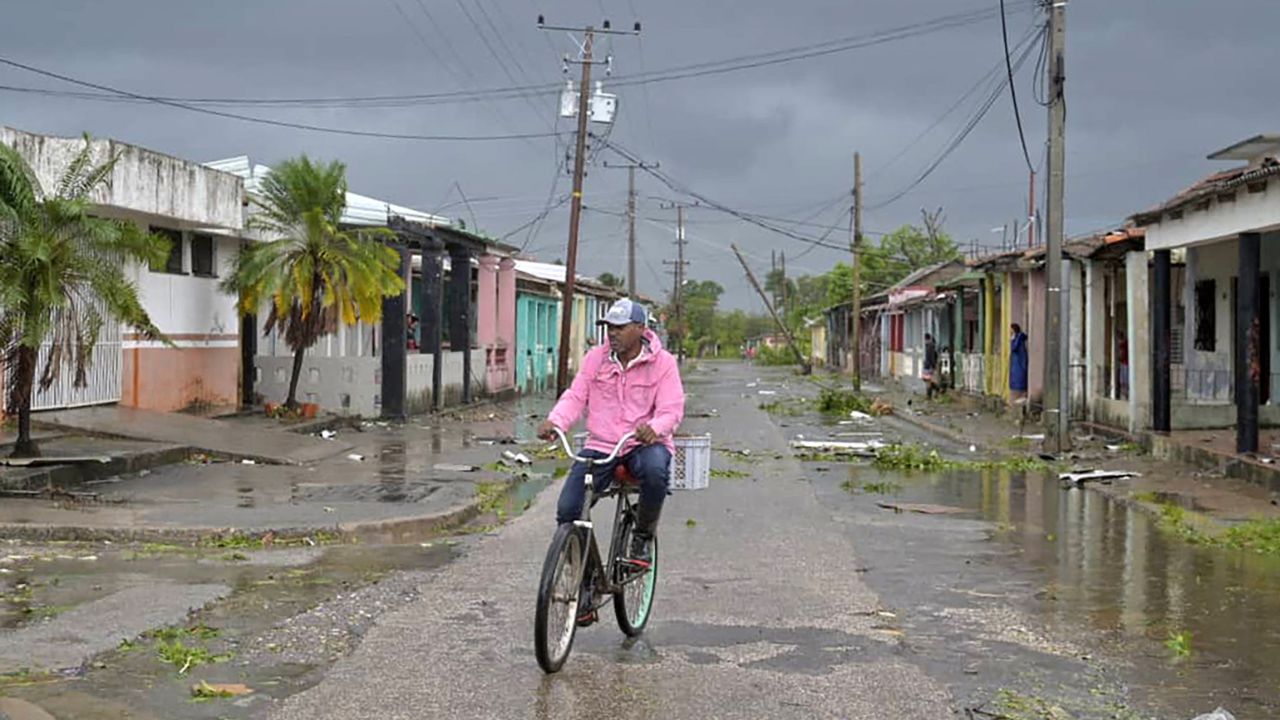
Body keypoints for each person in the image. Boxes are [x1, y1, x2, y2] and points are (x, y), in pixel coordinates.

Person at [538, 298, 685, 573]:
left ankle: (642, 537)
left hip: (642, 443)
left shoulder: (663, 363)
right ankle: (586, 575)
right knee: (569, 509)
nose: (613, 333)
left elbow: (671, 409)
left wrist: (654, 428)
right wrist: (556, 422)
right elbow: (576, 396)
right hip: (602, 445)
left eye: (620, 327)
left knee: (655, 471)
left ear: (640, 328)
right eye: (609, 328)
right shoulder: (596, 358)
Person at [1010, 323, 1029, 402]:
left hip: (1019, 363)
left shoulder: (1017, 338)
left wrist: (1013, 339)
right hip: (1018, 363)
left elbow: (1014, 348)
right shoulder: (1019, 338)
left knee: (1019, 380)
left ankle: (1020, 395)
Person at [922, 333, 939, 400]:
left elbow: (931, 357)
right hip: (927, 365)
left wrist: (933, 366)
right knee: (926, 379)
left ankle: (930, 394)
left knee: (927, 380)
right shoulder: (928, 346)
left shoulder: (930, 346)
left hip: (929, 366)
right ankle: (935, 390)